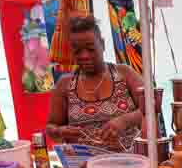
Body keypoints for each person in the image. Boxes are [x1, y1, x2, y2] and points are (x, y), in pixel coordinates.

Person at [46, 15, 144, 152]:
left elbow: (152, 106)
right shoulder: (64, 85)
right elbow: (51, 127)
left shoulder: (124, 73)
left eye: (91, 49)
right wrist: (61, 132)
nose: (84, 56)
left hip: (129, 163)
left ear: (102, 45)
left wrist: (125, 121)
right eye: (77, 50)